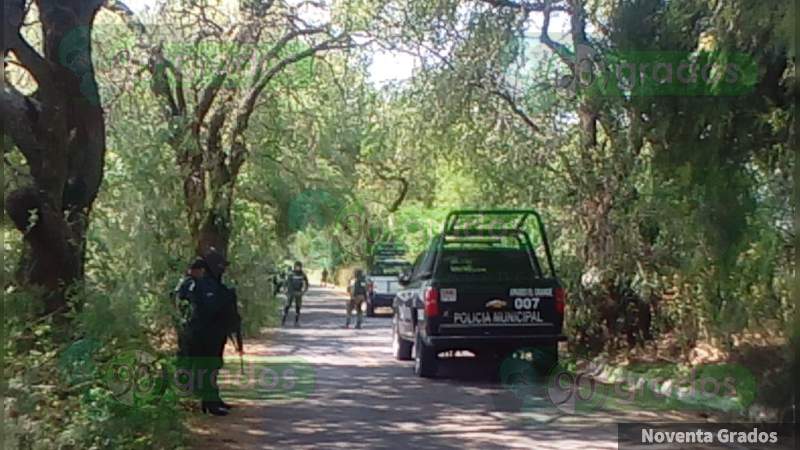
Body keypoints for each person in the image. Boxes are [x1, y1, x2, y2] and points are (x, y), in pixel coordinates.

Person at [175, 248, 242, 416]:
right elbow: (208, 309)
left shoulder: (214, 285)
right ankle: (209, 403)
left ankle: (213, 399)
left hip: (212, 334)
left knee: (211, 367)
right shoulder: (201, 285)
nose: (223, 269)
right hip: (203, 335)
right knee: (207, 367)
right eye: (221, 266)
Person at [281, 261, 309, 327]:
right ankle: (283, 320)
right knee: (287, 305)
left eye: (299, 267)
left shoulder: (303, 274)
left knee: (298, 307)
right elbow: (286, 282)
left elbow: (306, 283)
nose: (298, 268)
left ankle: (296, 321)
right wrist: (284, 289)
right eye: (297, 266)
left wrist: (304, 290)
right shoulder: (291, 273)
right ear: (295, 266)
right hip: (290, 292)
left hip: (298, 292)